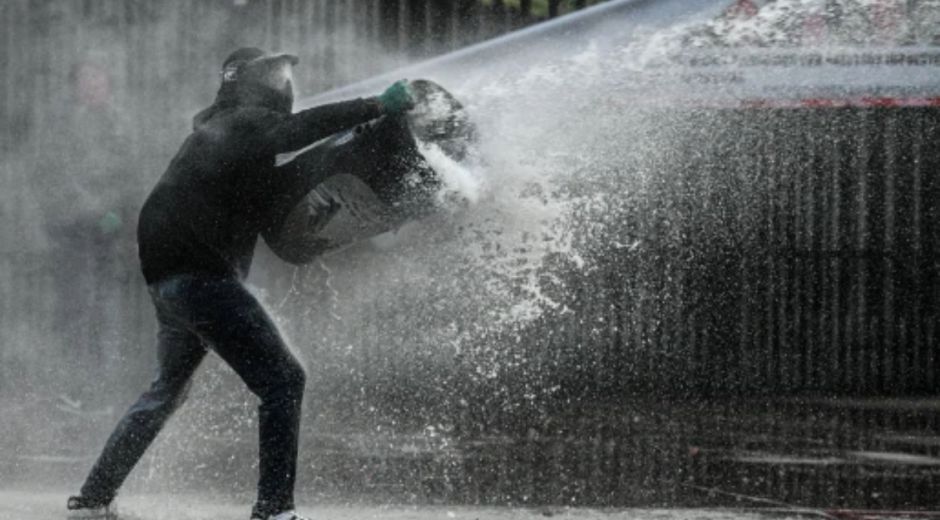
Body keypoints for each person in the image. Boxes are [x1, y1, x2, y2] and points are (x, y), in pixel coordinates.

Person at [67, 47, 416, 520]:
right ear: (250, 82)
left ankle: (91, 500)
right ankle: (274, 511)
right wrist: (375, 106)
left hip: (171, 284)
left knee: (166, 390)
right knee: (283, 380)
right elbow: (297, 130)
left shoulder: (229, 138)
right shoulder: (238, 123)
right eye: (277, 75)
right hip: (198, 279)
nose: (287, 84)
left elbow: (288, 219)